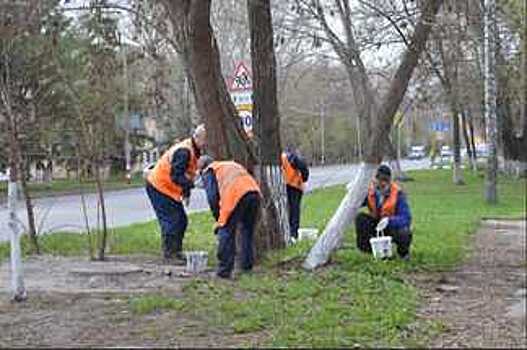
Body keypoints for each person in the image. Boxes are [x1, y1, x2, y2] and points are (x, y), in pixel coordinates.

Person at [145, 124, 206, 263]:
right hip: (158, 186)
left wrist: (186, 192)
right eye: (205, 140)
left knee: (181, 220)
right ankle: (170, 254)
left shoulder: (194, 150)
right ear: (198, 137)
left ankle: (176, 251)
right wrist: (192, 185)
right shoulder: (184, 151)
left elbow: (187, 172)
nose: (206, 144)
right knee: (172, 221)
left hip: (168, 189)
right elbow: (176, 176)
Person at [198, 156, 261, 279]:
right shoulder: (230, 164)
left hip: (236, 194)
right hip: (254, 192)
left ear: (202, 168)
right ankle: (246, 265)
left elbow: (212, 197)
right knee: (247, 231)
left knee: (226, 231)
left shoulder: (210, 170)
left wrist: (219, 220)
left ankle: (224, 271)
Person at [355, 164, 412, 260]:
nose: (382, 183)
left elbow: (406, 218)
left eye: (385, 180)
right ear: (375, 180)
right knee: (361, 218)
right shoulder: (370, 191)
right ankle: (372, 250)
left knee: (404, 232)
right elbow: (356, 204)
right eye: (379, 180)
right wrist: (354, 191)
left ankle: (403, 253)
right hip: (376, 225)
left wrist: (389, 221)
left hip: (391, 227)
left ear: (390, 181)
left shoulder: (398, 194)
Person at [281, 149, 309, 241]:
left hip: (295, 186)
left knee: (294, 209)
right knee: (292, 210)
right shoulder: (286, 158)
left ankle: (293, 233)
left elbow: (304, 168)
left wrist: (304, 180)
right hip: (289, 185)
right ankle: (291, 232)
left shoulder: (290, 158)